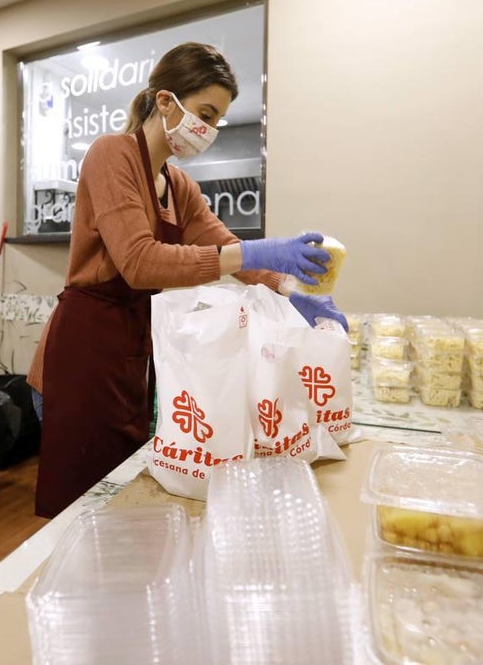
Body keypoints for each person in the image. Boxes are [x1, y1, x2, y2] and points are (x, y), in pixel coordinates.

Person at [26, 42, 347, 518]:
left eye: (216, 120)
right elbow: (139, 262)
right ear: (164, 101)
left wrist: (289, 287)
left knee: (123, 497)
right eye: (205, 113)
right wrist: (258, 249)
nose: (209, 130)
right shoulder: (110, 155)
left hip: (134, 346)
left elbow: (230, 250)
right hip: (85, 350)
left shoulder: (178, 185)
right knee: (83, 509)